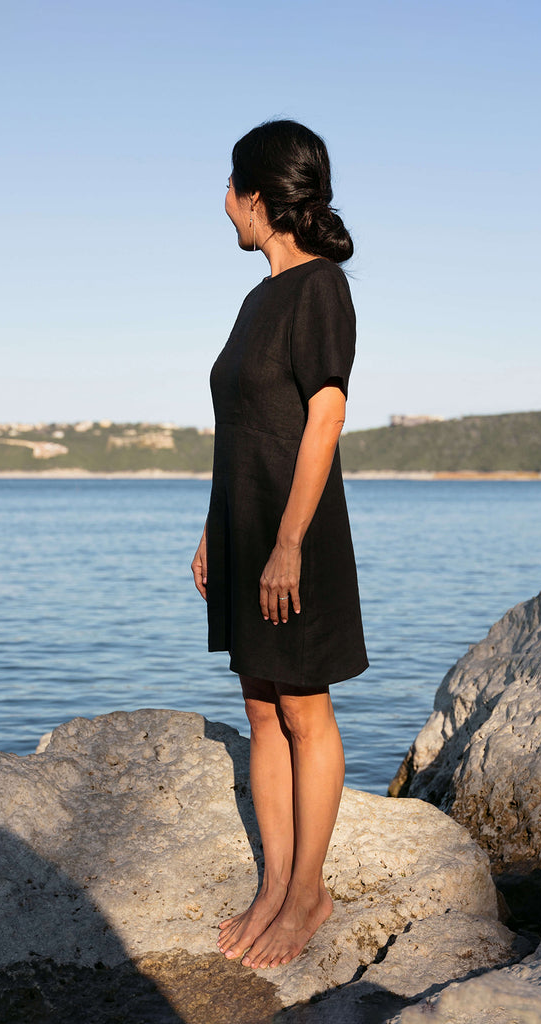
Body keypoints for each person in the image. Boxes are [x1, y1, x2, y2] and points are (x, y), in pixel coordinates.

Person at [192, 119, 367, 970]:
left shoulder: (319, 288)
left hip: (294, 532)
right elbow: (244, 425)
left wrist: (289, 541)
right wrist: (212, 531)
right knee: (261, 704)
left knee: (303, 705)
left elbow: (324, 415)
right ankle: (274, 885)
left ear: (257, 197)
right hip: (246, 526)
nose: (222, 204)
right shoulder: (256, 297)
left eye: (229, 188)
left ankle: (309, 893)